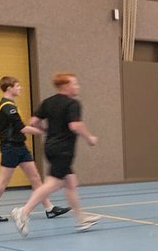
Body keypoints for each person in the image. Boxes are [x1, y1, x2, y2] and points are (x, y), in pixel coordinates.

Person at [9, 73, 99, 236]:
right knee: (53, 184)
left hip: (50, 147)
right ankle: (23, 212)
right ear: (65, 86)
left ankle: (81, 218)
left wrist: (47, 130)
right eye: (74, 83)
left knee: (71, 182)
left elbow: (33, 122)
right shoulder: (73, 104)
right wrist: (90, 137)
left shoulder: (48, 102)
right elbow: (75, 126)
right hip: (63, 150)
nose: (77, 86)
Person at [0, 76, 68, 222]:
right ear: (9, 88)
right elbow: (22, 128)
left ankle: (49, 208)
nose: (20, 88)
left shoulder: (5, 105)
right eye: (17, 85)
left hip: (20, 147)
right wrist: (47, 131)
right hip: (11, 148)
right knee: (3, 181)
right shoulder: (8, 107)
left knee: (35, 178)